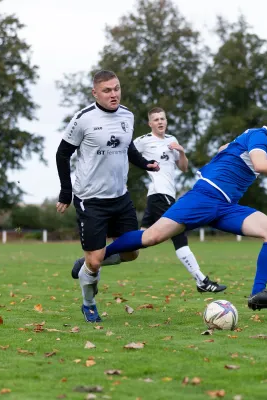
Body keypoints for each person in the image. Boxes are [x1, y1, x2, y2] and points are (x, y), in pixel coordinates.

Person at [97, 107, 267, 311]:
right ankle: (98, 256)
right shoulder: (260, 137)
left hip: (226, 207)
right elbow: (260, 165)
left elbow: (227, 148)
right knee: (151, 237)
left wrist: (226, 151)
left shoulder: (256, 138)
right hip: (204, 198)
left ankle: (258, 294)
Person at [71, 107, 226, 293]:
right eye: (156, 119)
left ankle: (91, 261)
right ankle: (202, 280)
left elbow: (183, 168)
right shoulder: (143, 141)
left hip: (166, 195)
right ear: (150, 123)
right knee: (179, 234)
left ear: (166, 121)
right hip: (159, 194)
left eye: (163, 118)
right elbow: (123, 152)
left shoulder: (172, 140)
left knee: (136, 242)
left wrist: (182, 152)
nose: (160, 122)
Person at [56, 70, 159, 323]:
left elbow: (128, 147)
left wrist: (145, 164)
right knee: (96, 262)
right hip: (90, 200)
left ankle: (91, 259)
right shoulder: (83, 119)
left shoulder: (127, 115)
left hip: (120, 197)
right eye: (107, 90)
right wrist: (66, 191)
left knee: (132, 252)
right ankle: (89, 303)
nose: (113, 94)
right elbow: (62, 153)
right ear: (95, 93)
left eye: (116, 88)